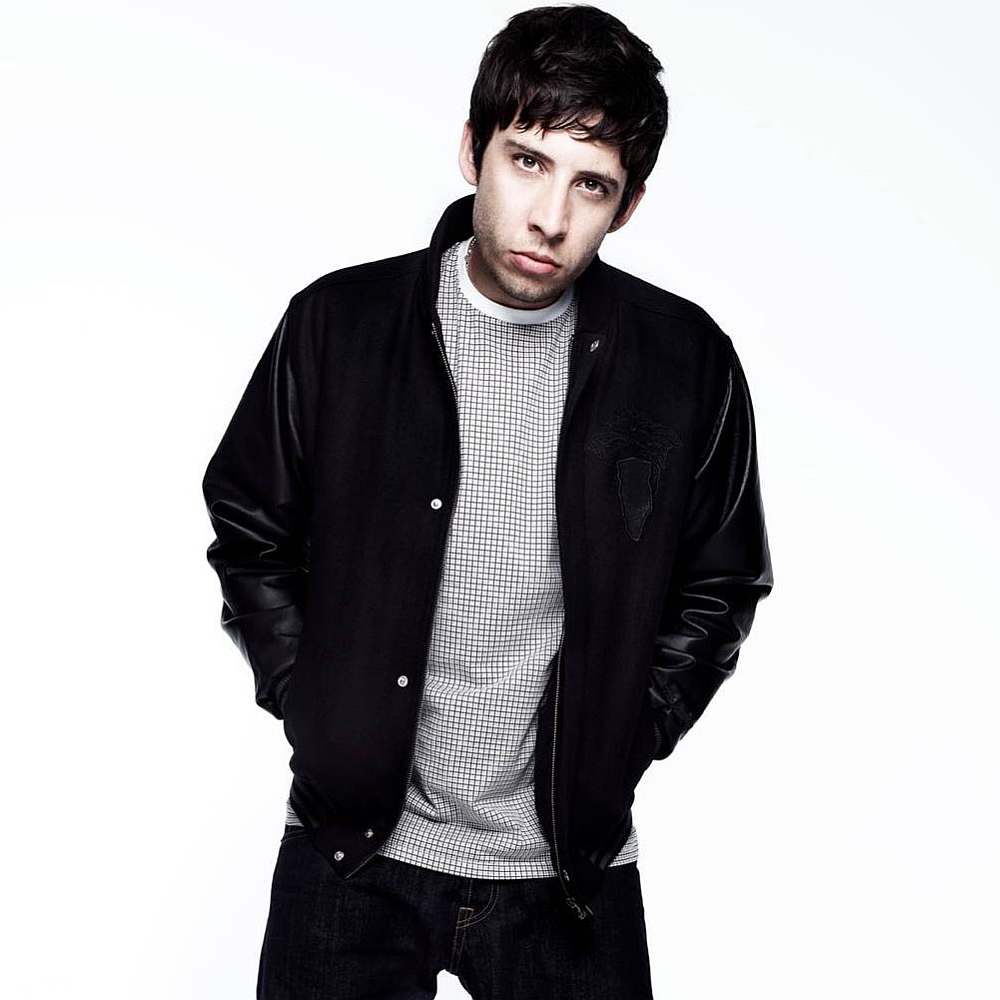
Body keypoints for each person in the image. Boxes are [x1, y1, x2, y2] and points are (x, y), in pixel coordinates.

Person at [202, 5, 773, 998]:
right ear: (473, 151)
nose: (551, 216)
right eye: (528, 161)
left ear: (628, 205)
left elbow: (720, 581)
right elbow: (251, 527)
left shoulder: (682, 363)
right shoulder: (340, 326)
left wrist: (628, 734)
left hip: (570, 868)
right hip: (353, 849)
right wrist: (314, 705)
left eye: (591, 184)